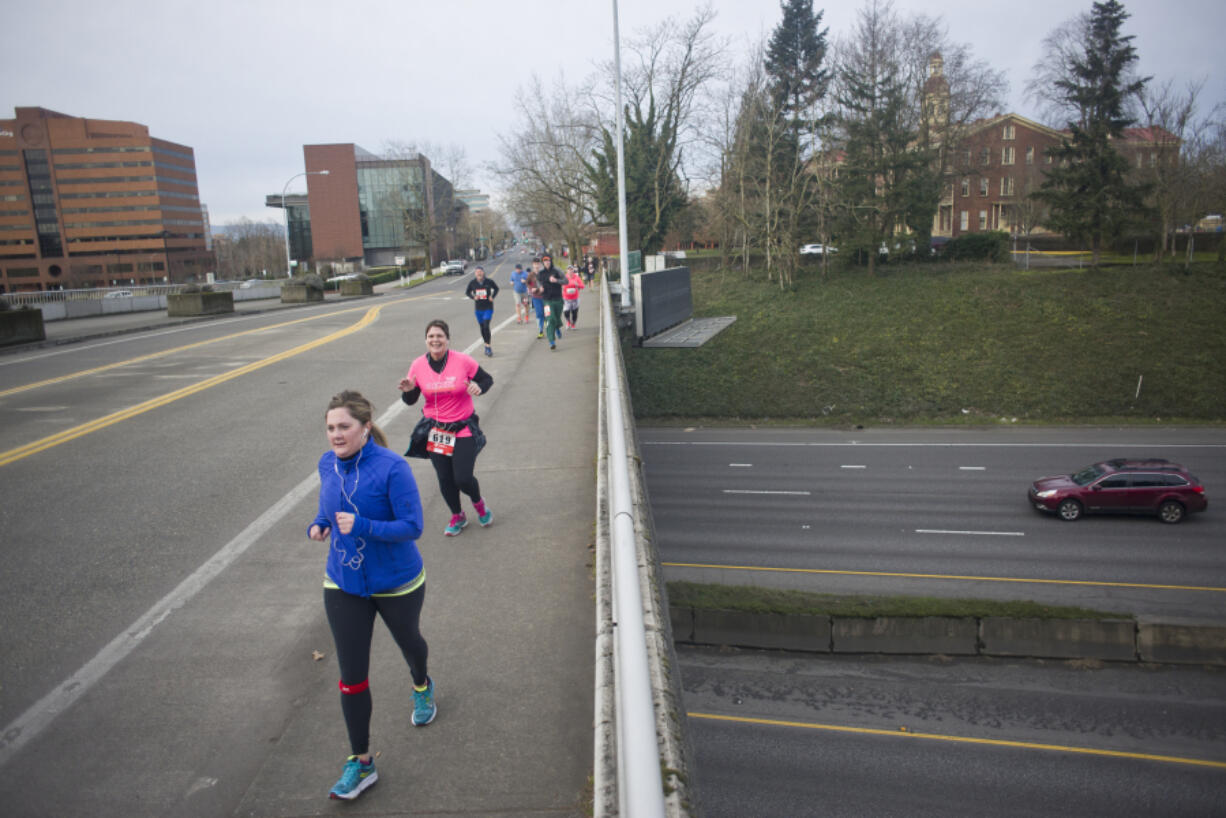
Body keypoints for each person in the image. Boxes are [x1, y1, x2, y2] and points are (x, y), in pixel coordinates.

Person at [308, 390, 434, 801]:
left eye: (344, 426)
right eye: (330, 428)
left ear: (365, 428)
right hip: (343, 582)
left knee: (410, 644)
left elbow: (412, 526)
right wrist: (320, 523)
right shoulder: (327, 463)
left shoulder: (393, 468)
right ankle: (361, 762)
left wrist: (361, 526)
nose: (336, 435)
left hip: (396, 581)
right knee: (351, 676)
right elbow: (329, 508)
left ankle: (421, 684)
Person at [400, 319, 494, 536]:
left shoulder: (462, 361)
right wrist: (408, 391)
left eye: (439, 336)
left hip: (463, 427)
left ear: (447, 339)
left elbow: (487, 379)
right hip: (437, 431)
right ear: (426, 341)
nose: (435, 340)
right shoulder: (418, 365)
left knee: (462, 477)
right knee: (445, 478)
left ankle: (479, 504)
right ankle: (457, 515)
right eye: (431, 336)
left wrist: (478, 386)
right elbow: (410, 399)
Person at [464, 266, 499, 357]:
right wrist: (473, 297)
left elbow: (496, 288)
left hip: (488, 307)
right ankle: (486, 344)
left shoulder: (489, 281)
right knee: (482, 327)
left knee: (486, 325)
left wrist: (492, 296)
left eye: (480, 271)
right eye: (477, 272)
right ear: (475, 274)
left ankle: (488, 346)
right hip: (478, 309)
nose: (479, 273)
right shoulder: (472, 283)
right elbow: (467, 292)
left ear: (483, 272)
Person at [537, 252, 566, 350]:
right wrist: (539, 288)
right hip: (547, 300)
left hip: (558, 299)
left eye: (548, 260)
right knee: (550, 319)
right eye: (545, 261)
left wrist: (556, 281)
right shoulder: (541, 274)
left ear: (551, 261)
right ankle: (551, 341)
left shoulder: (557, 271)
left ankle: (557, 327)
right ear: (543, 262)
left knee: (556, 317)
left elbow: (566, 281)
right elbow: (538, 284)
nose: (547, 262)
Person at [528, 258, 546, 339]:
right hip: (536, 297)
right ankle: (540, 330)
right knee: (539, 314)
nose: (536, 265)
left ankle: (549, 328)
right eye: (535, 264)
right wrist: (531, 288)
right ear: (533, 265)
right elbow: (527, 283)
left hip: (545, 297)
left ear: (540, 265)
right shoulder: (531, 275)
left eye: (538, 264)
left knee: (547, 314)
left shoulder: (544, 273)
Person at [562, 265, 585, 329]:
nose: (570, 271)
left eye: (571, 269)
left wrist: (577, 284)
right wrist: (563, 286)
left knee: (574, 313)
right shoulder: (564, 277)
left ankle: (573, 324)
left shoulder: (577, 277)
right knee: (566, 312)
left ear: (573, 270)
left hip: (575, 298)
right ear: (567, 271)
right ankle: (568, 321)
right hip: (566, 298)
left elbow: (583, 286)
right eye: (568, 270)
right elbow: (559, 284)